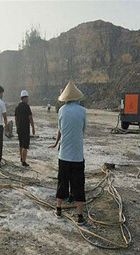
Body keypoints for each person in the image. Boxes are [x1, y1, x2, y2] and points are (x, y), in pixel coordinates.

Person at [49, 81, 87, 225]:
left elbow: (60, 130)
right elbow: (83, 130)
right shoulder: (82, 111)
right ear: (77, 97)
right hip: (77, 156)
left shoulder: (61, 111)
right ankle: (79, 216)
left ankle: (58, 209)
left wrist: (57, 143)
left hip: (63, 155)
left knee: (62, 182)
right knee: (78, 185)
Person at [15, 90, 35, 166]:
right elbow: (30, 118)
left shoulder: (17, 107)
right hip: (26, 129)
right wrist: (33, 127)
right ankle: (23, 161)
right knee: (25, 146)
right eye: (27, 98)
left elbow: (16, 118)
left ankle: (21, 158)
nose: (28, 99)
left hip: (19, 128)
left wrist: (17, 127)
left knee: (21, 144)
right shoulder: (27, 107)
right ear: (25, 98)